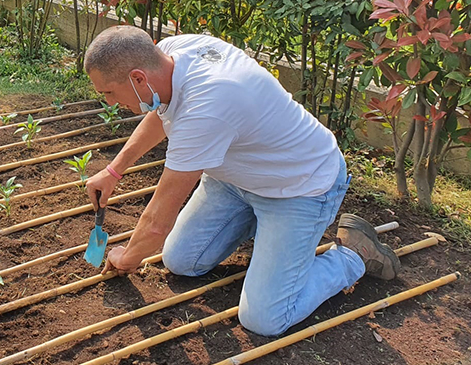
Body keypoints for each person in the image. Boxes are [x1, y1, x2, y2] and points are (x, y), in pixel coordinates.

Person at [83, 25, 401, 336]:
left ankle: (354, 254)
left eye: (108, 92)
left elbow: (156, 224)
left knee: (264, 318)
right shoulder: (168, 56)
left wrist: (126, 258)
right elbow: (163, 114)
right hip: (236, 181)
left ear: (138, 77)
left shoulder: (206, 107)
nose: (109, 102)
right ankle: (262, 231)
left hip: (300, 187)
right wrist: (114, 170)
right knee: (180, 260)